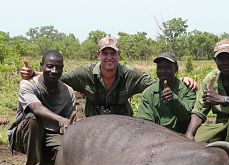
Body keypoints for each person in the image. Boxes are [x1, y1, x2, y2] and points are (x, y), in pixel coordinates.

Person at [20, 35, 197, 117]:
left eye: (113, 54)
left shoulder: (131, 75)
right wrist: (34, 73)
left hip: (122, 123)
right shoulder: (85, 73)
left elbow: (155, 84)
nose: (109, 58)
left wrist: (180, 80)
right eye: (105, 53)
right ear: (98, 55)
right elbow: (58, 76)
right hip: (94, 122)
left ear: (119, 55)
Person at [8, 50, 76, 165]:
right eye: (50, 66)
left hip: (50, 134)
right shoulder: (28, 84)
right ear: (41, 66)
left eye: (58, 67)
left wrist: (67, 130)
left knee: (68, 151)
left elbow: (70, 120)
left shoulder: (68, 91)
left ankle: (47, 162)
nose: (54, 71)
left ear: (62, 69)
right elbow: (36, 108)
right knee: (33, 119)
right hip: (23, 135)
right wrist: (60, 119)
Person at [137, 52, 195, 133]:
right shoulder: (149, 93)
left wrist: (173, 100)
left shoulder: (187, 90)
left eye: (168, 67)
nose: (163, 71)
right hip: (155, 135)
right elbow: (145, 121)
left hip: (181, 136)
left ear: (176, 69)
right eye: (160, 67)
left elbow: (186, 117)